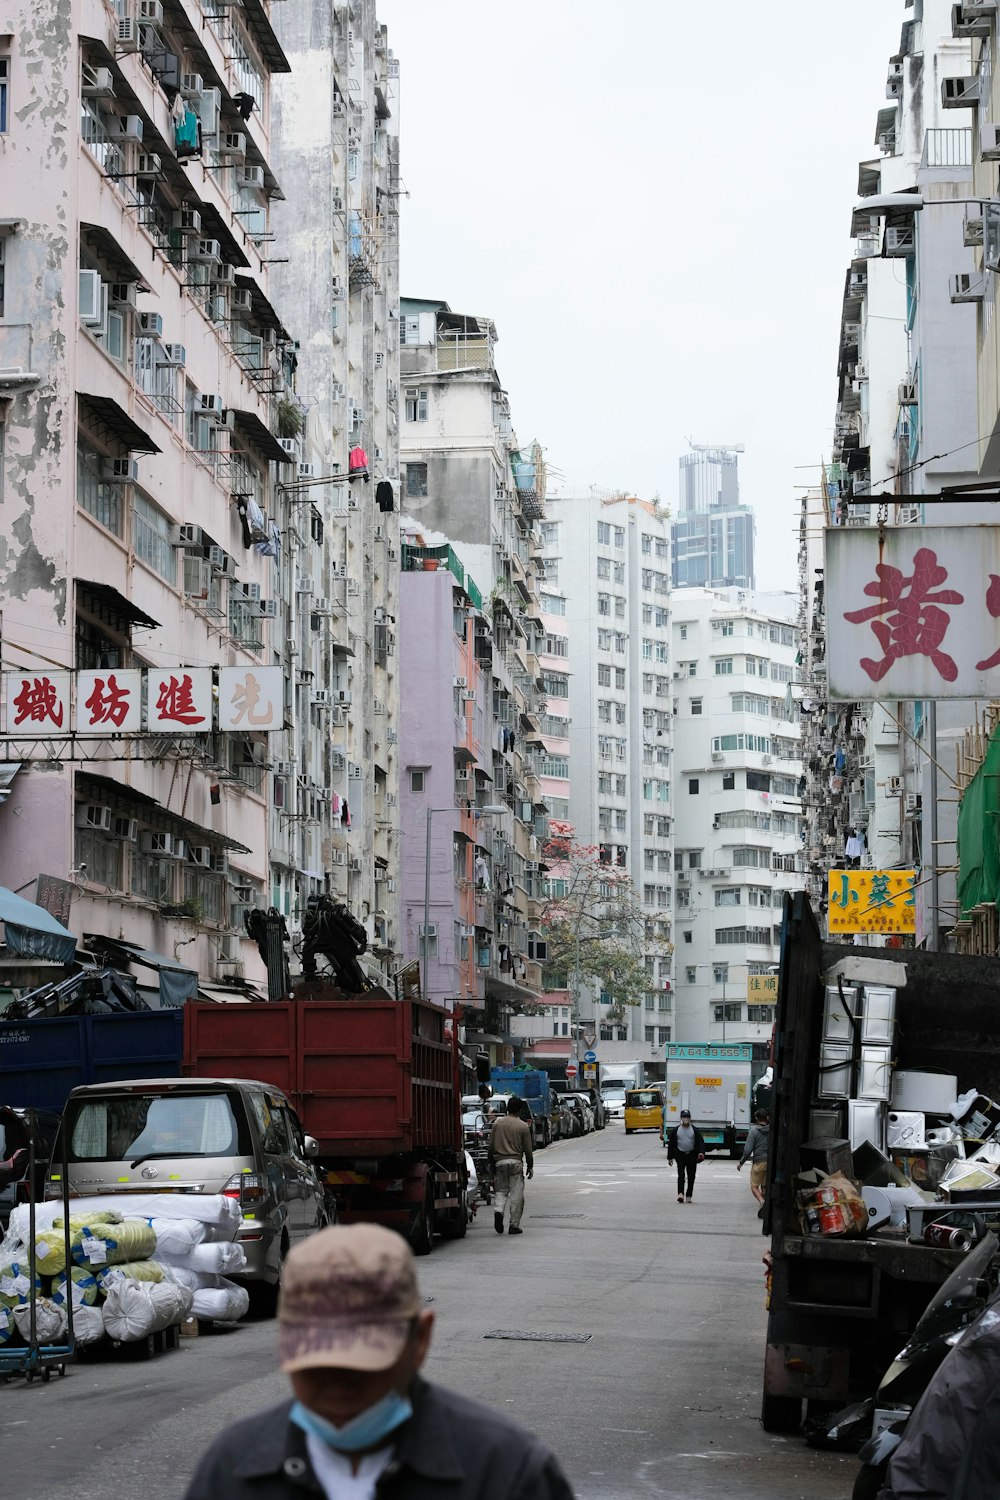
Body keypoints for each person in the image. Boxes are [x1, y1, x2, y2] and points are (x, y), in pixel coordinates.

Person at [183, 1223, 575, 1500]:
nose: (337, 1386)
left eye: (362, 1363)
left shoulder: (504, 1471)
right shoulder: (234, 1469)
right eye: (316, 1362)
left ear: (419, 1340)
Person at [487, 1096, 533, 1236]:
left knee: (500, 1191)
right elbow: (528, 1149)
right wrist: (530, 1166)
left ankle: (499, 1211)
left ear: (507, 1108)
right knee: (516, 1194)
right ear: (519, 1110)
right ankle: (514, 1225)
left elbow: (491, 1147)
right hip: (516, 1163)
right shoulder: (523, 1126)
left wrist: (491, 1163)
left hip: (500, 1162)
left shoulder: (497, 1124)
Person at [665, 1109, 706, 1204]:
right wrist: (670, 1157)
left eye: (687, 1117)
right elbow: (671, 1144)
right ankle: (680, 1194)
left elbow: (701, 1143)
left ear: (690, 1118)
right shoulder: (676, 1130)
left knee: (691, 1176)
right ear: (681, 1118)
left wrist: (701, 1152)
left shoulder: (695, 1130)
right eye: (684, 1117)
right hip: (680, 1155)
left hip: (692, 1155)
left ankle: (689, 1195)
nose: (685, 1119)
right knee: (681, 1175)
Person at [737, 1109, 770, 1216]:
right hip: (769, 1162)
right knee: (764, 1186)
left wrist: (741, 1162)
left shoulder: (754, 1132)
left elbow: (748, 1150)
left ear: (756, 1118)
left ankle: (762, 1201)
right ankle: (766, 1208)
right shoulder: (772, 1131)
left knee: (754, 1186)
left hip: (758, 1162)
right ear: (767, 1118)